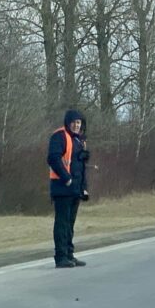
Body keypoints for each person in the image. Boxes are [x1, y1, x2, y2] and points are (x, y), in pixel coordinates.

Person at [47, 110, 90, 268]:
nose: (76, 125)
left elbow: (81, 167)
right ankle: (61, 256)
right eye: (74, 122)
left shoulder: (79, 141)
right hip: (62, 188)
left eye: (79, 123)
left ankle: (69, 254)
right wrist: (67, 179)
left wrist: (84, 188)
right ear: (68, 122)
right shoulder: (59, 136)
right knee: (62, 223)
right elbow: (53, 158)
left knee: (70, 224)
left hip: (75, 189)